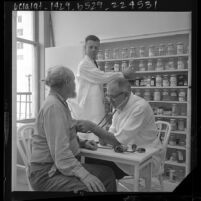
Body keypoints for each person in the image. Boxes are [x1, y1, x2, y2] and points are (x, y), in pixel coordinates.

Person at [28, 65, 118, 192]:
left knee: (107, 173)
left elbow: (63, 135)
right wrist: (85, 175)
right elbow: (61, 154)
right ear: (66, 83)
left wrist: (82, 143)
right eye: (73, 82)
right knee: (96, 185)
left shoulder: (60, 103)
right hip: (47, 174)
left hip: (57, 167)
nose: (75, 85)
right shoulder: (54, 107)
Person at [77, 77, 163, 178]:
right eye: (108, 96)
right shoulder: (119, 105)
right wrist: (103, 137)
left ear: (126, 95)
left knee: (90, 163)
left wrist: (93, 127)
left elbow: (118, 141)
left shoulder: (140, 107)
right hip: (124, 153)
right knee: (85, 158)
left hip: (144, 158)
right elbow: (112, 135)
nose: (109, 100)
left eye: (113, 97)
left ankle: (104, 185)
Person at [68, 35, 126, 142]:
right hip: (89, 107)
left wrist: (103, 96)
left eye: (96, 47)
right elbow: (101, 77)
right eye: (91, 47)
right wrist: (121, 74)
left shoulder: (93, 63)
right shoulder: (84, 65)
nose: (94, 50)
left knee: (97, 132)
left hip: (95, 105)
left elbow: (96, 83)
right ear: (85, 48)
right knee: (91, 134)